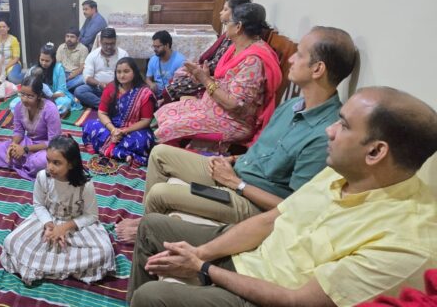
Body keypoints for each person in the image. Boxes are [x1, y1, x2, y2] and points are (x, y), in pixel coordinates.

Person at [127, 87, 437, 307]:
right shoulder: (344, 171)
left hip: (269, 294)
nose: (329, 131)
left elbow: (297, 301)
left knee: (151, 297)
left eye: (343, 125)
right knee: (153, 226)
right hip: (256, 253)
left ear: (376, 151)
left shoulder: (404, 242)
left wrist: (203, 268)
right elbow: (272, 220)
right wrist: (202, 253)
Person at [116, 26, 358, 242]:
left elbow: (293, 207)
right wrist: (230, 160)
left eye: (300, 54)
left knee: (161, 193)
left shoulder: (324, 134)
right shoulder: (291, 106)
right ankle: (149, 223)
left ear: (317, 69)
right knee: (159, 153)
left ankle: (147, 230)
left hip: (250, 200)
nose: (292, 58)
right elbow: (261, 152)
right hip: (236, 172)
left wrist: (236, 183)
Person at [154, 3, 282, 145]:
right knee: (164, 111)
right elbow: (229, 81)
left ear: (238, 26)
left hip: (232, 121)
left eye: (227, 23)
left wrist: (205, 80)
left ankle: (171, 155)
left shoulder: (253, 61)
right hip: (214, 107)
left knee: (168, 127)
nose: (225, 26)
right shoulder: (237, 48)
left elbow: (234, 104)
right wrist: (204, 77)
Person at [0, 135, 115, 285]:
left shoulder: (85, 184)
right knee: (10, 242)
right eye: (48, 161)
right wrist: (49, 225)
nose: (50, 167)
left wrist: (64, 228)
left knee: (104, 251)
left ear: (71, 164)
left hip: (76, 225)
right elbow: (39, 205)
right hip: (48, 220)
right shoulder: (43, 177)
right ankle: (69, 266)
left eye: (57, 163)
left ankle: (47, 264)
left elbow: (91, 215)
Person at [163, 0, 250, 103]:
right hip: (213, 75)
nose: (221, 12)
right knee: (179, 76)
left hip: (217, 80)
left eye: (225, 9)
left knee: (172, 88)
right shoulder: (231, 36)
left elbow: (235, 102)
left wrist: (200, 72)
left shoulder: (239, 44)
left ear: (237, 20)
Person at [83, 57, 156, 165]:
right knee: (89, 125)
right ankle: (123, 153)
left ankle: (114, 151)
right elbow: (102, 112)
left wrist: (125, 131)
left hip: (134, 129)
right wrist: (113, 129)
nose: (122, 75)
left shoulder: (144, 93)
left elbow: (146, 120)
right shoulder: (111, 87)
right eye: (119, 72)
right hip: (112, 126)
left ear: (134, 72)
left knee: (144, 140)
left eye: (126, 71)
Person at [0, 75, 62, 180]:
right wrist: (14, 145)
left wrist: (25, 149)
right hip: (28, 142)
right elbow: (18, 131)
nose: (24, 99)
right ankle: (24, 164)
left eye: (30, 96)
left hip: (46, 147)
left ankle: (22, 163)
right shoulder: (19, 106)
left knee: (40, 162)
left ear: (39, 96)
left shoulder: (50, 110)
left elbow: (53, 142)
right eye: (22, 94)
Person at [8, 44, 82, 116]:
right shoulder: (33, 69)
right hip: (34, 98)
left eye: (47, 61)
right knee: (14, 104)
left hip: (53, 98)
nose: (43, 63)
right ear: (39, 58)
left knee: (64, 103)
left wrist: (52, 96)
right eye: (42, 60)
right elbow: (26, 86)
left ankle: (37, 112)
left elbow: (61, 89)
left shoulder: (59, 69)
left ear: (53, 60)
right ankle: (46, 112)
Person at [74, 27, 129, 108]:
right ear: (100, 42)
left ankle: (103, 104)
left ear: (115, 41)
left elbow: (127, 75)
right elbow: (87, 77)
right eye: (106, 44)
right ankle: (106, 106)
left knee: (131, 91)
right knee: (79, 91)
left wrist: (112, 86)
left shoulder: (123, 54)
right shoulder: (93, 55)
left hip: (117, 87)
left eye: (112, 44)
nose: (109, 47)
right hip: (97, 88)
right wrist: (99, 84)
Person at [146, 30, 186, 97]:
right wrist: (151, 84)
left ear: (167, 45)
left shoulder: (180, 61)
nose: (155, 49)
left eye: (158, 47)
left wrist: (164, 99)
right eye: (154, 46)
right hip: (157, 95)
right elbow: (148, 79)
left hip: (173, 95)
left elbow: (182, 86)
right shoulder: (153, 59)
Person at [0, 19, 24, 84]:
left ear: (8, 28)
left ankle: (27, 75)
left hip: (12, 64)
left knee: (13, 78)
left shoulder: (13, 39)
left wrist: (4, 68)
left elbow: (16, 58)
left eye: (4, 27)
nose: (1, 29)